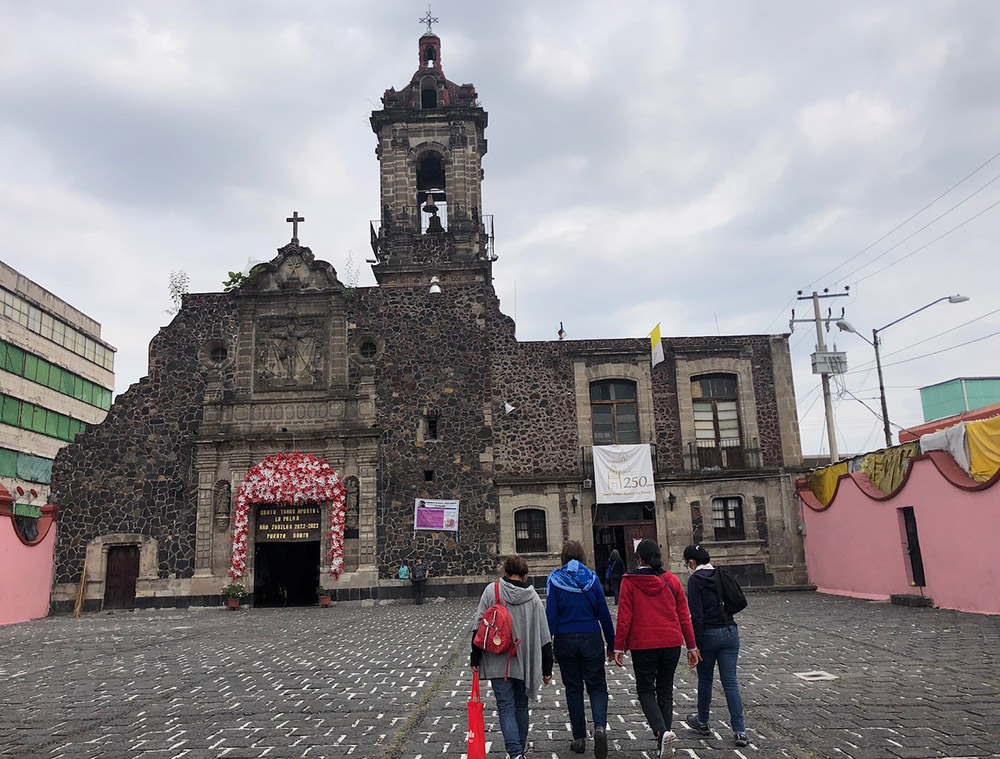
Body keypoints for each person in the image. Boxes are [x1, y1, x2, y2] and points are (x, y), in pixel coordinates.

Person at [613, 539, 699, 758]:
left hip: (643, 644)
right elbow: (684, 616)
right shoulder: (672, 580)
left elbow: (624, 617)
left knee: (645, 690)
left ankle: (662, 733)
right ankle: (664, 736)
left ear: (639, 558)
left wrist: (619, 647)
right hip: (671, 643)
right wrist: (692, 646)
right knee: (665, 691)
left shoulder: (629, 582)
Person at [471, 555, 553, 759]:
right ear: (525, 576)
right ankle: (519, 749)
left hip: (498, 660)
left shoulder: (493, 591)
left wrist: (475, 658)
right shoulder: (534, 599)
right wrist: (547, 669)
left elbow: (479, 626)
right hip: (524, 662)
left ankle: (515, 753)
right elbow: (545, 636)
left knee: (505, 706)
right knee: (521, 705)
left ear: (505, 573)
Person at [546, 541, 615, 758]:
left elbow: (551, 616)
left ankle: (579, 738)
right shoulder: (592, 578)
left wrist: (548, 646)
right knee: (597, 686)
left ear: (563, 557)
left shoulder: (555, 579)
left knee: (573, 688)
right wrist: (612, 644)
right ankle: (600, 727)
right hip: (591, 637)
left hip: (565, 639)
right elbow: (604, 613)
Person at [682, 545, 748, 748]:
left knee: (705, 679)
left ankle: (702, 720)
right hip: (730, 631)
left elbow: (697, 616)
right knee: (730, 683)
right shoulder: (721, 573)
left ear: (692, 563)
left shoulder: (695, 580)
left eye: (686, 563)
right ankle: (740, 731)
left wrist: (695, 645)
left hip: (709, 634)